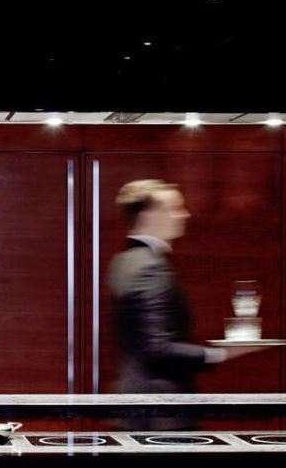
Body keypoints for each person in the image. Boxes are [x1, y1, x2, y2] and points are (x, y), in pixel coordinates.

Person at [107, 179, 263, 429]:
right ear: (149, 215)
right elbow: (157, 348)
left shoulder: (125, 260)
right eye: (175, 208)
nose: (185, 214)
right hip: (161, 412)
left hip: (140, 407)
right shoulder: (150, 267)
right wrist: (222, 353)